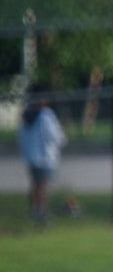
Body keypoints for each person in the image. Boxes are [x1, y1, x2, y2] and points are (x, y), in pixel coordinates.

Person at [19, 91, 68, 225]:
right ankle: (41, 211)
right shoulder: (46, 115)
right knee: (43, 186)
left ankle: (35, 208)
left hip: (31, 156)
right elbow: (54, 135)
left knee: (35, 184)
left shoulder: (26, 116)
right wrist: (62, 140)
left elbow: (21, 138)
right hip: (45, 156)